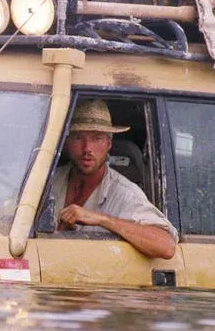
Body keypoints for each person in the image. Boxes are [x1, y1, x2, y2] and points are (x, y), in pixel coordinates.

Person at [52, 99, 178, 259]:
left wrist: (102, 220)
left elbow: (166, 246)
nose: (87, 149)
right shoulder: (48, 182)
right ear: (66, 142)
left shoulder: (124, 193)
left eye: (96, 138)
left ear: (109, 144)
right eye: (78, 138)